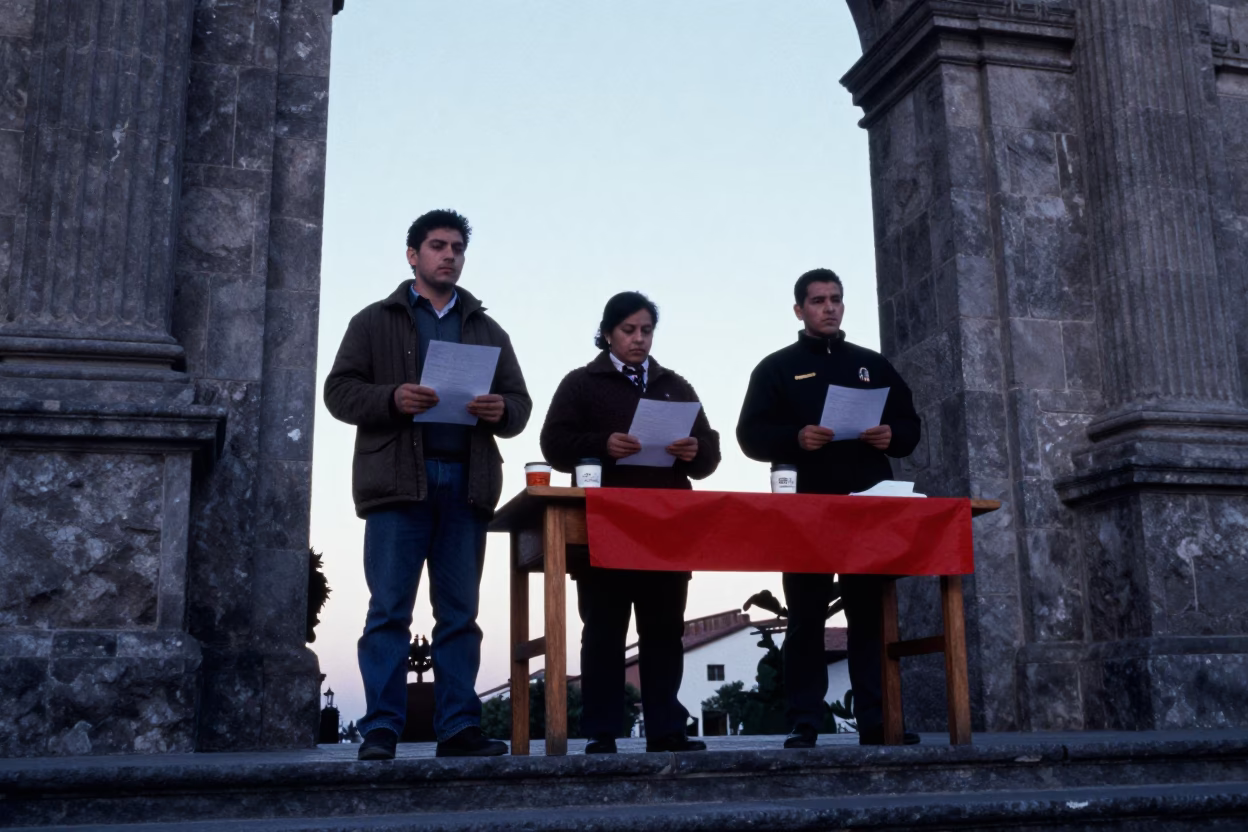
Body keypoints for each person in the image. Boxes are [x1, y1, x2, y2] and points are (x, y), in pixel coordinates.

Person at [324, 209, 531, 760]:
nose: (450, 256)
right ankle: (382, 730)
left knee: (460, 614)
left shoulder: (488, 329)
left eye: (458, 248)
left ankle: (459, 727)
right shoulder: (373, 321)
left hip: (466, 484)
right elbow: (339, 392)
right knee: (389, 610)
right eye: (438, 246)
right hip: (397, 485)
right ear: (412, 255)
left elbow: (521, 407)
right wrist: (392, 398)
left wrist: (499, 408)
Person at [736, 268, 921, 748]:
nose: (829, 307)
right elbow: (749, 437)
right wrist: (795, 438)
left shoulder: (872, 364)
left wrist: (890, 436)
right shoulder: (776, 367)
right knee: (805, 613)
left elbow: (908, 426)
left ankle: (878, 720)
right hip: (805, 506)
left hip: (868, 504)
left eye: (836, 299)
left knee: (870, 613)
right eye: (818, 300)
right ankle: (804, 720)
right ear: (799, 310)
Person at [540, 291, 721, 754]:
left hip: (667, 523)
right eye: (628, 331)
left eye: (646, 330)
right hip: (606, 522)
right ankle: (601, 731)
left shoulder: (675, 385)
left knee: (664, 629)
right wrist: (604, 444)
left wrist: (694, 450)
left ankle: (666, 728)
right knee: (603, 629)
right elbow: (554, 444)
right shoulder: (581, 383)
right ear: (606, 334)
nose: (639, 339)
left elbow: (710, 454)